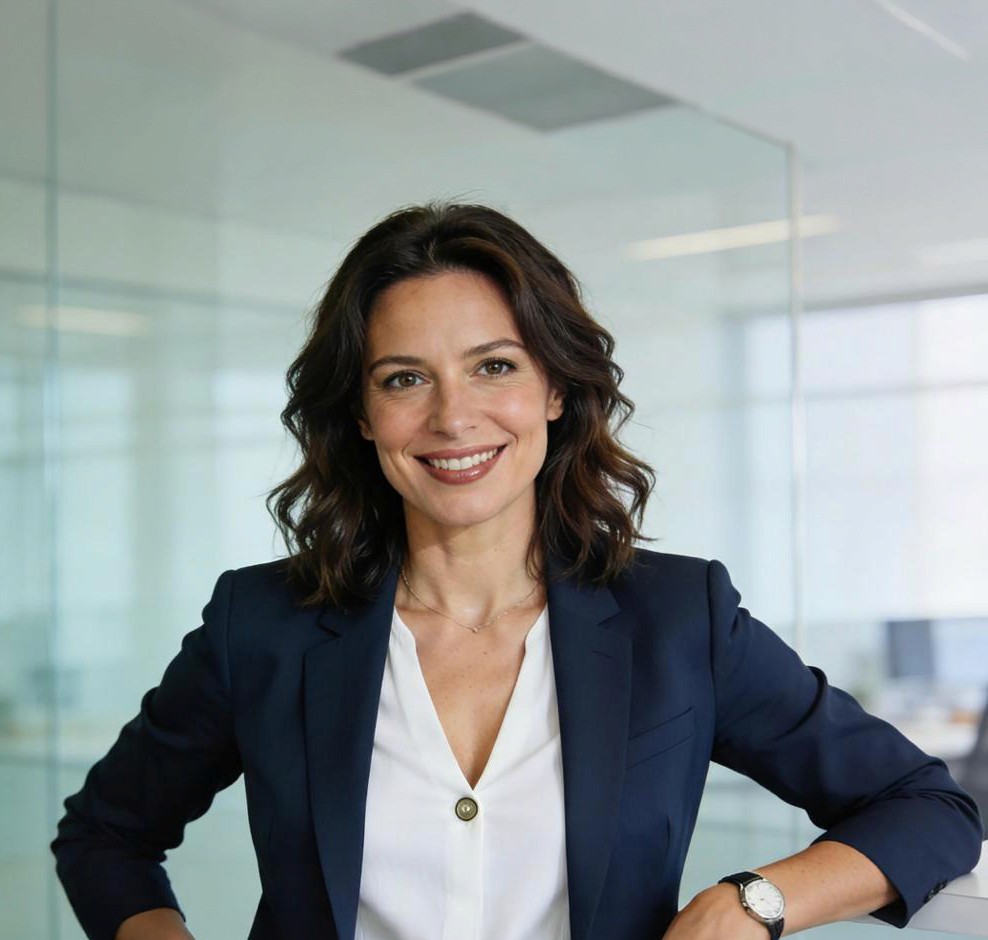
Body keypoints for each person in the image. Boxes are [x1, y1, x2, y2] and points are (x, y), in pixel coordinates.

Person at [52, 201, 983, 940]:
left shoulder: (678, 619)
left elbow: (926, 805)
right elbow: (106, 835)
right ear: (363, 416)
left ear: (556, 389)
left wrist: (754, 901)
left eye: (493, 366)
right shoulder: (263, 624)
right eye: (404, 378)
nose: (454, 419)